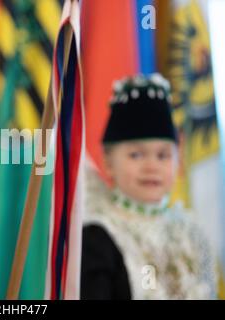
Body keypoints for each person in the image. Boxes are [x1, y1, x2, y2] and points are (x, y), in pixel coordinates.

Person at [80, 73, 217, 300]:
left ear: (178, 159)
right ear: (108, 161)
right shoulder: (97, 237)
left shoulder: (191, 232)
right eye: (136, 155)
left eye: (163, 155)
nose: (151, 166)